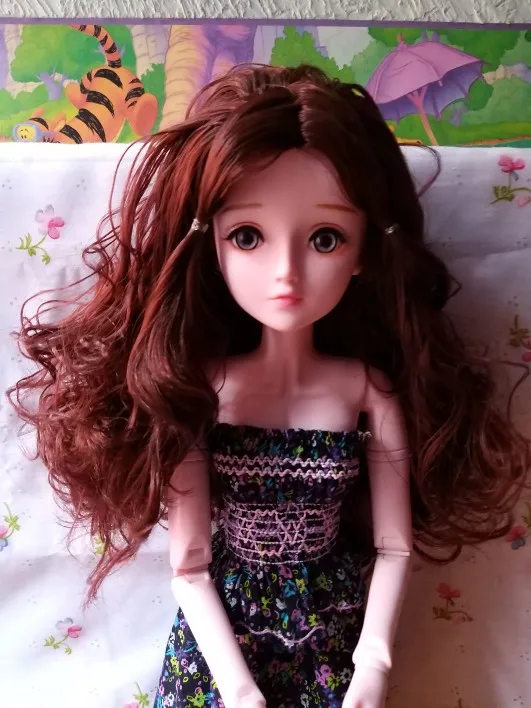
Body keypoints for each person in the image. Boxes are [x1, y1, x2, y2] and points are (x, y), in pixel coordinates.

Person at [9, 64, 530, 708]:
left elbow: (393, 548)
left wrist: (373, 661)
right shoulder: (202, 389)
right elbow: (189, 567)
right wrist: (236, 688)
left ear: (366, 250)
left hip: (332, 636)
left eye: (325, 238)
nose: (286, 273)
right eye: (248, 236)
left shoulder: (367, 391)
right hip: (225, 644)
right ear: (212, 246)